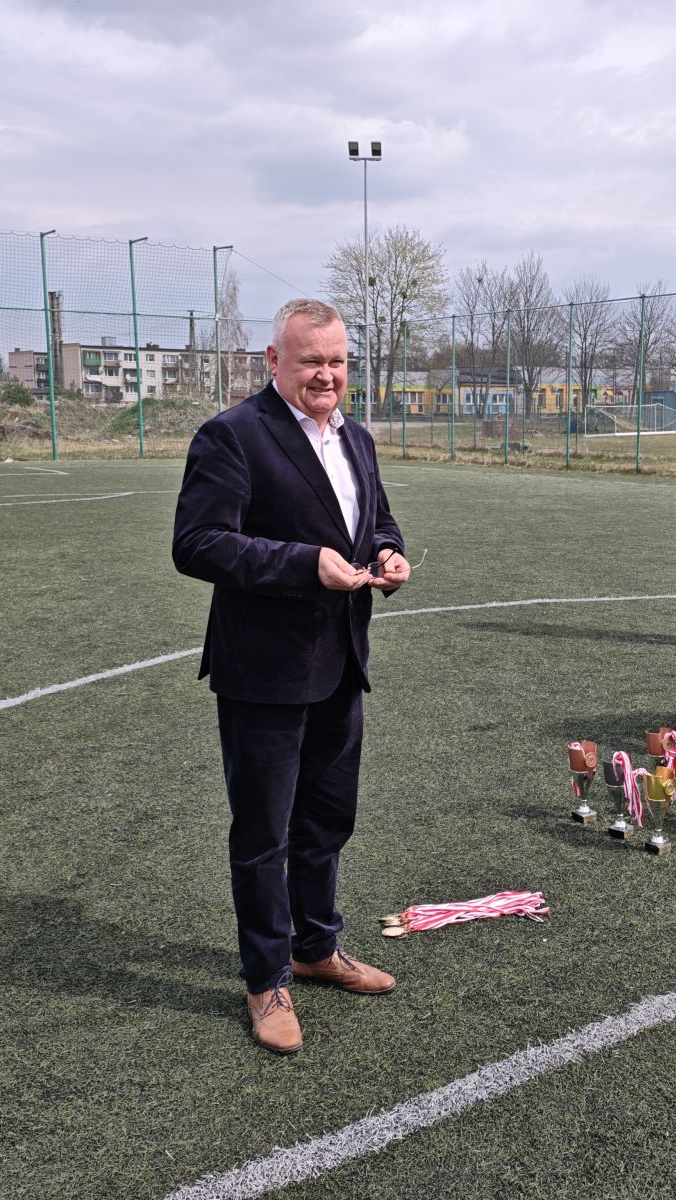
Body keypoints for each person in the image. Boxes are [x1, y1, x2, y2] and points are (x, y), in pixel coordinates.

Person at [172, 298, 411, 1054]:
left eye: (337, 361)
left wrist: (389, 553)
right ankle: (266, 979)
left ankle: (315, 947)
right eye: (311, 361)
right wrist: (304, 565)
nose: (327, 375)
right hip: (264, 671)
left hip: (341, 661)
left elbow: (374, 522)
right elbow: (198, 543)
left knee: (327, 821)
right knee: (263, 835)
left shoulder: (356, 437)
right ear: (273, 361)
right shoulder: (233, 435)